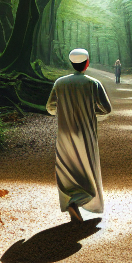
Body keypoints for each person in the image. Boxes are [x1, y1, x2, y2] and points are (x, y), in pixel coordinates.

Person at [46, 48, 112, 223]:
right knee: (87, 167)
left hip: (65, 132)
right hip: (86, 132)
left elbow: (50, 108)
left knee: (67, 168)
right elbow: (107, 109)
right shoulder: (93, 83)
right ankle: (76, 202)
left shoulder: (60, 83)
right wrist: (90, 112)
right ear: (87, 63)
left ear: (71, 63)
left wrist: (64, 111)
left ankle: (71, 201)